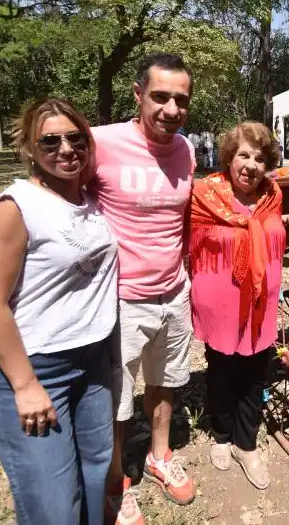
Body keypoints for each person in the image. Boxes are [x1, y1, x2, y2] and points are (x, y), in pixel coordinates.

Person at [0, 98, 118, 525]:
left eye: (76, 138)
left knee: (96, 474)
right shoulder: (14, 208)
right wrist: (25, 386)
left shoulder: (92, 201)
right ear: (30, 149)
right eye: (50, 141)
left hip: (92, 364)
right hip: (36, 368)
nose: (66, 148)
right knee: (54, 506)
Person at [90, 53, 197, 524]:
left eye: (181, 100)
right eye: (160, 97)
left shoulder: (187, 150)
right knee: (117, 397)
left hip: (175, 292)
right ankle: (115, 480)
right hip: (121, 297)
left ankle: (159, 455)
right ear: (138, 95)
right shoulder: (100, 142)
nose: (171, 109)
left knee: (166, 381)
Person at [189, 122, 289, 489]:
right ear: (229, 156)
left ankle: (247, 445)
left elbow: (272, 225)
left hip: (260, 302)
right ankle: (222, 435)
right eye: (243, 155)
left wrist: (288, 219)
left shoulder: (272, 194)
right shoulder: (205, 193)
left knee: (256, 373)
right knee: (223, 373)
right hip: (220, 300)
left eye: (259, 158)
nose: (251, 165)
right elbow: (192, 237)